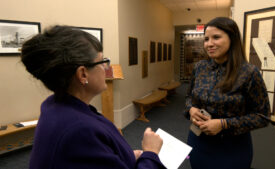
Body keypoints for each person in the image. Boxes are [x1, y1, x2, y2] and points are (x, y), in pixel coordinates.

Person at [21, 25, 166, 169]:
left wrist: (125, 158)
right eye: (103, 62)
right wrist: (151, 152)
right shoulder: (79, 131)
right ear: (83, 74)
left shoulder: (53, 105)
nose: (107, 68)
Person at [184, 17, 271, 169]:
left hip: (232, 148)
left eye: (216, 37)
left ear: (232, 38)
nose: (209, 44)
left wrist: (223, 124)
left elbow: (262, 117)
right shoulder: (200, 67)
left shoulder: (249, 73)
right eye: (206, 39)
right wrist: (191, 109)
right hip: (198, 141)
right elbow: (189, 97)